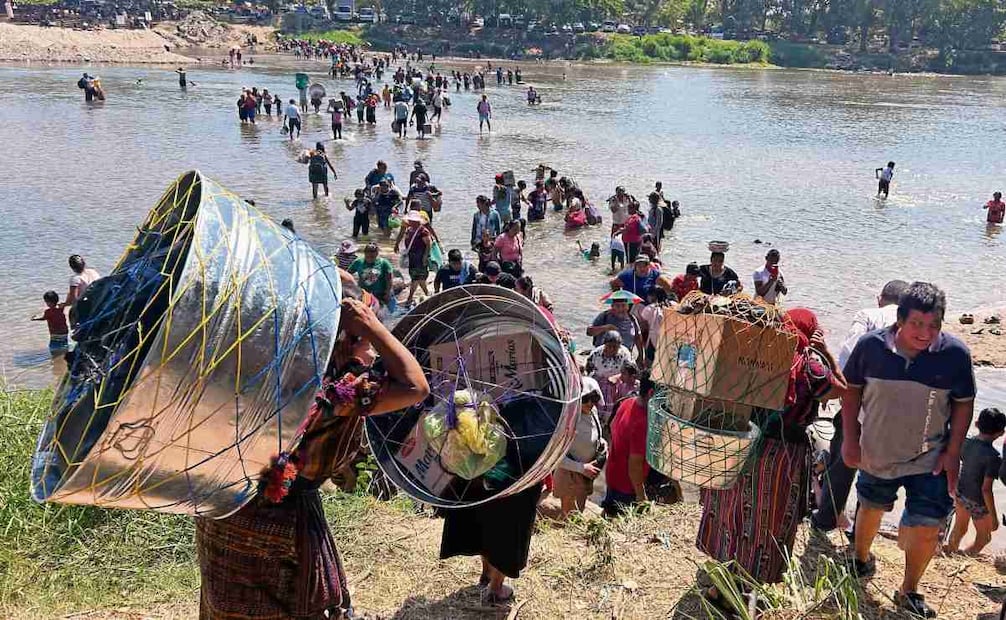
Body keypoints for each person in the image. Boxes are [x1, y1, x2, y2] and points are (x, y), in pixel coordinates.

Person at [197, 297, 429, 620]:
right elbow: (416, 386)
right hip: (281, 524)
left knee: (225, 600)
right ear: (340, 340)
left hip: (224, 506)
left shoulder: (254, 368)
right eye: (364, 340)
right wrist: (374, 327)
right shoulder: (341, 394)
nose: (373, 353)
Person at [842, 282, 975, 618]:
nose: (925, 333)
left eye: (934, 325)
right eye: (917, 323)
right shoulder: (870, 347)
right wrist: (849, 439)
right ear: (899, 319)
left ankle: (909, 589)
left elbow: (963, 404)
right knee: (871, 507)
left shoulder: (955, 355)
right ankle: (860, 558)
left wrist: (953, 452)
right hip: (877, 450)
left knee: (927, 524)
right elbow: (851, 392)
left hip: (930, 457)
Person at [698, 309, 845, 613]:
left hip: (742, 445)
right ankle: (739, 594)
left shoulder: (757, 355)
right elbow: (842, 389)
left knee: (735, 514)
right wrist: (824, 351)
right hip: (781, 456)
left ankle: (722, 583)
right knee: (767, 521)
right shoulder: (809, 365)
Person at [811, 279, 909, 533]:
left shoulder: (868, 315)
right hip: (896, 411)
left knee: (842, 463)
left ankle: (825, 521)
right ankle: (862, 534)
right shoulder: (914, 325)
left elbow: (849, 352)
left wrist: (843, 391)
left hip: (861, 403)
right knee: (876, 473)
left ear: (880, 298)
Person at [944, 408, 1005, 556]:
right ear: (1001, 433)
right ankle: (965, 557)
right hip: (977, 501)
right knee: (984, 537)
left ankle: (950, 552)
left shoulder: (966, 443)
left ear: (977, 423)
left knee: (959, 528)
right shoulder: (994, 457)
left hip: (961, 493)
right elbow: (986, 489)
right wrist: (993, 517)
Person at [602, 370, 655, 517]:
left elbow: (611, 428)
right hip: (627, 487)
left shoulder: (627, 402)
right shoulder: (642, 422)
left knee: (609, 517)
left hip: (613, 475)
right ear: (651, 393)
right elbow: (635, 465)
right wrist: (641, 496)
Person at [554, 376, 607, 516]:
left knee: (579, 510)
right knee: (570, 516)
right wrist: (581, 468)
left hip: (586, 475)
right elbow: (555, 456)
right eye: (585, 399)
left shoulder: (592, 412)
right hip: (571, 475)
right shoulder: (568, 419)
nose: (590, 403)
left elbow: (594, 432)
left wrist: (601, 442)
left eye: (594, 399)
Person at [394, 212, 432, 306]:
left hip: (420, 257)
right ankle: (424, 294)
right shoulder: (409, 230)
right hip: (412, 257)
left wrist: (425, 256)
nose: (410, 222)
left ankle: (415, 296)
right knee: (415, 277)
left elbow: (428, 244)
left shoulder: (423, 231)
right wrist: (397, 244)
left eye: (412, 220)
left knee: (419, 277)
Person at [63, 254, 101, 322]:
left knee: (71, 312)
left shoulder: (75, 279)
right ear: (84, 263)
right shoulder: (93, 272)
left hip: (87, 305)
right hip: (99, 300)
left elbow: (73, 299)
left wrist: (64, 305)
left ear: (71, 267)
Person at [31, 290, 69, 356]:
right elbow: (65, 303)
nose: (46, 304)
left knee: (53, 347)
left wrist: (35, 318)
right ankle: (64, 354)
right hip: (64, 331)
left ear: (48, 302)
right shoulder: (61, 308)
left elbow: (43, 318)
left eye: (46, 302)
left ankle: (56, 357)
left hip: (55, 333)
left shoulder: (48, 311)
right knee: (64, 344)